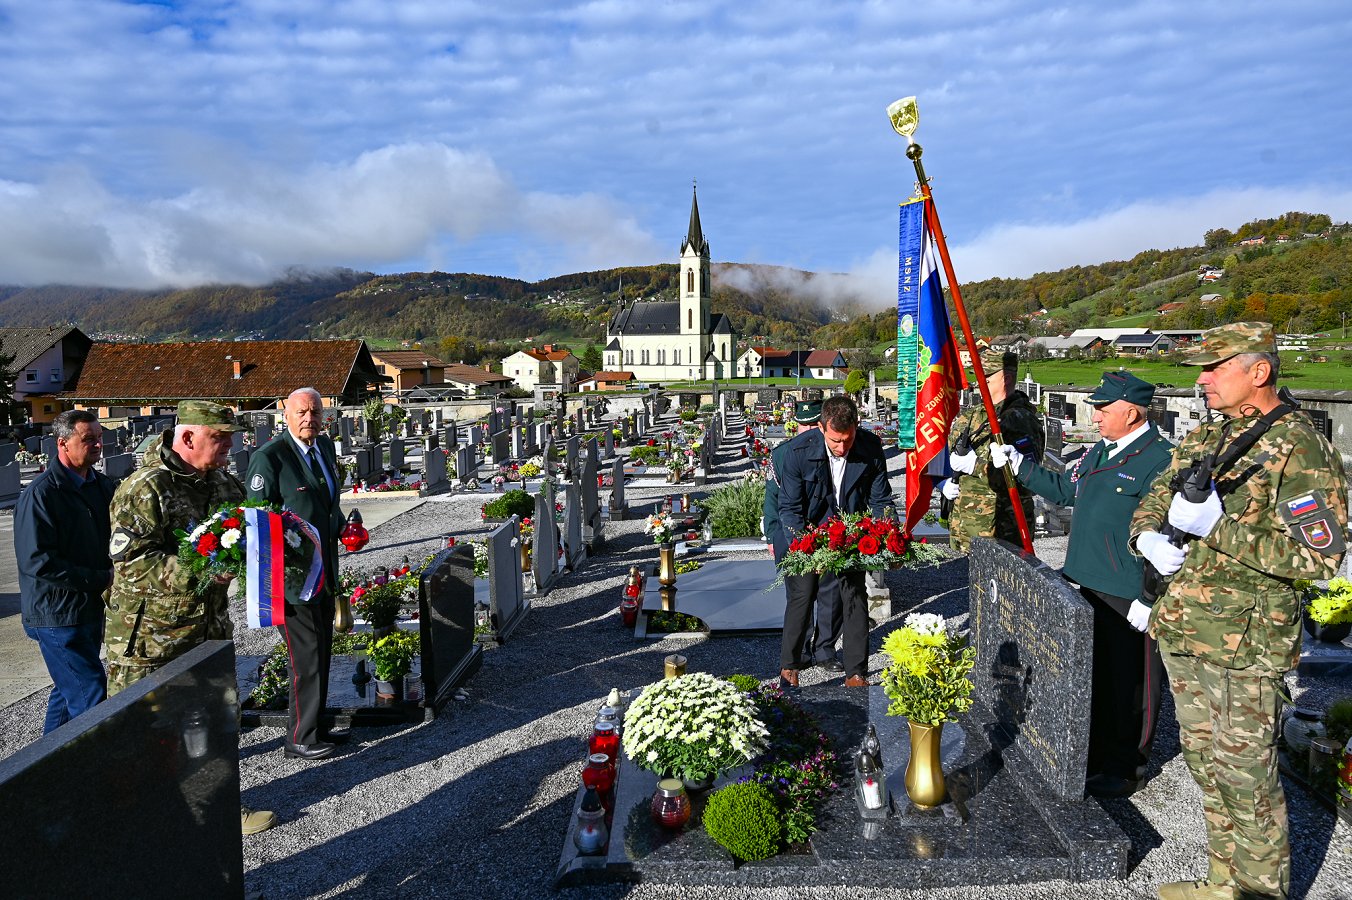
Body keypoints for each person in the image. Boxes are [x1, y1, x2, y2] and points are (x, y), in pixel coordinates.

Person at [1129, 323, 1347, 900]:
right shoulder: (1210, 434)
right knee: (1206, 765)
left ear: (1259, 371)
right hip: (1185, 627)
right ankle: (1225, 882)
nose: (1202, 379)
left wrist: (1219, 529)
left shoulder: (1299, 446)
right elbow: (1157, 493)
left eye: (1215, 366)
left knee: (1247, 778)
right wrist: (1146, 535)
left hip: (1245, 645)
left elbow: (1319, 558)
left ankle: (1259, 892)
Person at [991, 371, 1173, 798]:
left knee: (1131, 682)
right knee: (1096, 675)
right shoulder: (1102, 450)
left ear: (1132, 413)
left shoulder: (1161, 460)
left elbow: (1171, 538)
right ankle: (1095, 752)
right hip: (1085, 579)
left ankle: (1126, 766)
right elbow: (1066, 491)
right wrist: (1020, 466)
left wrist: (1151, 596)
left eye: (1104, 409)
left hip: (1128, 589)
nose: (1095, 417)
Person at [105, 400, 275, 836]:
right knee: (142, 734)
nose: (230, 446)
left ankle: (219, 810)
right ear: (187, 437)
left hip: (207, 630)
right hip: (151, 640)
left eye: (231, 437)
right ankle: (136, 826)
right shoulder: (146, 488)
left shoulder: (223, 484)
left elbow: (247, 531)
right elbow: (131, 563)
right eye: (219, 438)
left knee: (215, 723)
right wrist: (199, 569)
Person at [246, 388, 346, 761]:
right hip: (291, 581)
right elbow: (257, 519)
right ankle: (300, 738)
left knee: (322, 651)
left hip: (325, 571)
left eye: (315, 412)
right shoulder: (270, 457)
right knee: (305, 658)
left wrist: (345, 527)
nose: (309, 419)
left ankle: (316, 725)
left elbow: (328, 505)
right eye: (301, 412)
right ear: (285, 415)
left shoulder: (325, 448)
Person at [776, 395, 892, 688]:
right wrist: (806, 549)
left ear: (856, 426)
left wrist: (886, 536)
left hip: (850, 529)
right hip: (807, 530)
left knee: (855, 595)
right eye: (835, 441)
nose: (842, 448)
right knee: (802, 595)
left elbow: (880, 499)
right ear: (821, 427)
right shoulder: (797, 452)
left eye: (847, 440)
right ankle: (790, 667)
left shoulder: (870, 447)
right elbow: (790, 509)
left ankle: (856, 672)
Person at [15, 410, 116, 733]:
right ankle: (93, 762)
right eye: (88, 439)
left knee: (68, 689)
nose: (97, 444)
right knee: (90, 692)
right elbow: (37, 562)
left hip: (87, 607)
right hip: (57, 614)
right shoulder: (42, 494)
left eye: (99, 438)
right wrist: (101, 579)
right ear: (62, 443)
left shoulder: (100, 485)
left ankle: (49, 761)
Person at [764, 400, 843, 672]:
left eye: (812, 425)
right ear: (795, 426)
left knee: (831, 593)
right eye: (803, 425)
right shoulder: (783, 454)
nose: (808, 430)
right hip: (791, 531)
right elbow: (772, 497)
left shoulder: (830, 449)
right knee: (800, 595)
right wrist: (772, 535)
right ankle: (800, 652)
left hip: (826, 529)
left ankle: (825, 650)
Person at [943, 350, 1043, 553]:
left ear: (1006, 379)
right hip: (967, 526)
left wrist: (975, 466)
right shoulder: (973, 415)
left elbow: (1026, 482)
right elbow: (949, 451)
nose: (979, 384)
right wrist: (943, 480)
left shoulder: (1019, 420)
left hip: (1001, 529)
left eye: (986, 379)